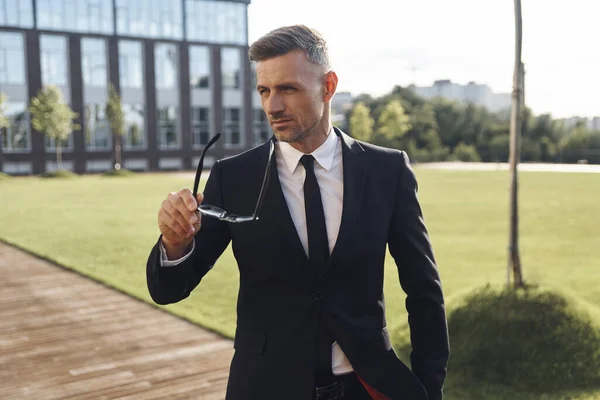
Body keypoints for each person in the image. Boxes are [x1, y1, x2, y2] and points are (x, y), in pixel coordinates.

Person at [146, 24, 449, 400]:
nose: (272, 106)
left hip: (366, 387)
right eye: (264, 91)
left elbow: (424, 291)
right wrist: (174, 244)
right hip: (264, 388)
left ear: (328, 86)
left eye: (288, 89)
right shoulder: (233, 177)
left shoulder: (387, 171)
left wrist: (428, 388)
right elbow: (170, 289)